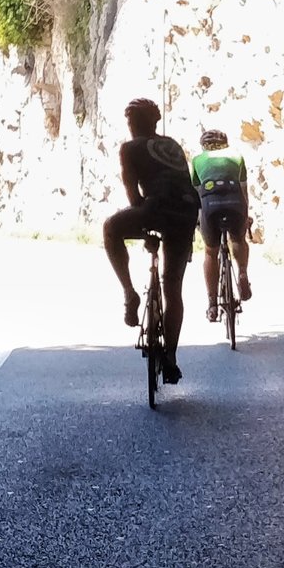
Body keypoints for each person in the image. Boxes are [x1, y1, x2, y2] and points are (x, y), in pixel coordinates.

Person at [102, 96, 200, 384]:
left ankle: (129, 293)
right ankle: (170, 356)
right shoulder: (172, 145)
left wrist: (145, 230)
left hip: (156, 209)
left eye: (131, 121)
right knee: (173, 288)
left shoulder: (129, 148)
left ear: (137, 123)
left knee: (111, 229)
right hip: (186, 212)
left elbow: (134, 197)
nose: (130, 126)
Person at [191, 128, 254, 320]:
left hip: (210, 206)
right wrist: (246, 215)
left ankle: (212, 304)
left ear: (204, 146)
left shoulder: (197, 160)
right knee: (238, 240)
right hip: (235, 202)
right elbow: (244, 191)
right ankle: (242, 273)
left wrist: (195, 220)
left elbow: (196, 194)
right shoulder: (237, 156)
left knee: (211, 251)